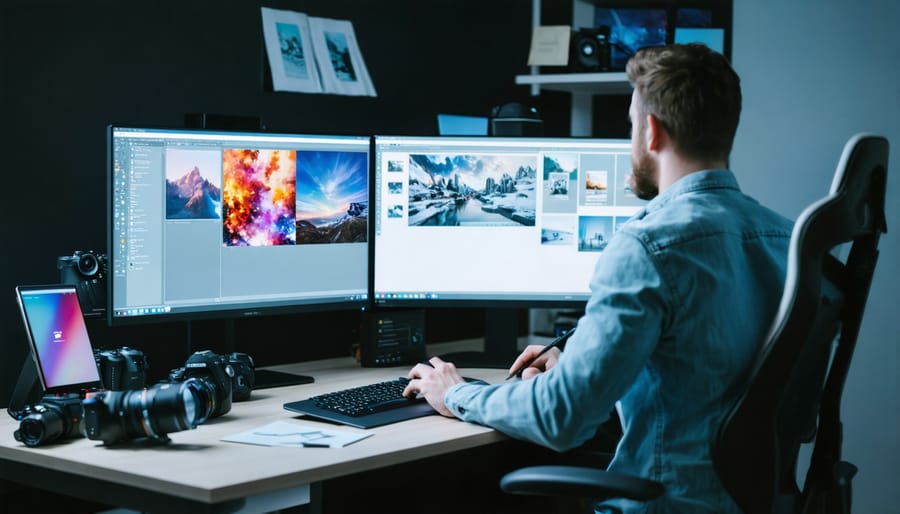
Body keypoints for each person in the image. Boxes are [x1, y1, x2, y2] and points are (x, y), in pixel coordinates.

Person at [404, 43, 795, 513]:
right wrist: (581, 363)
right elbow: (707, 375)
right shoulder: (786, 238)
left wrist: (457, 393)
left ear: (651, 131)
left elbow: (561, 419)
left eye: (631, 125)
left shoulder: (648, 245)